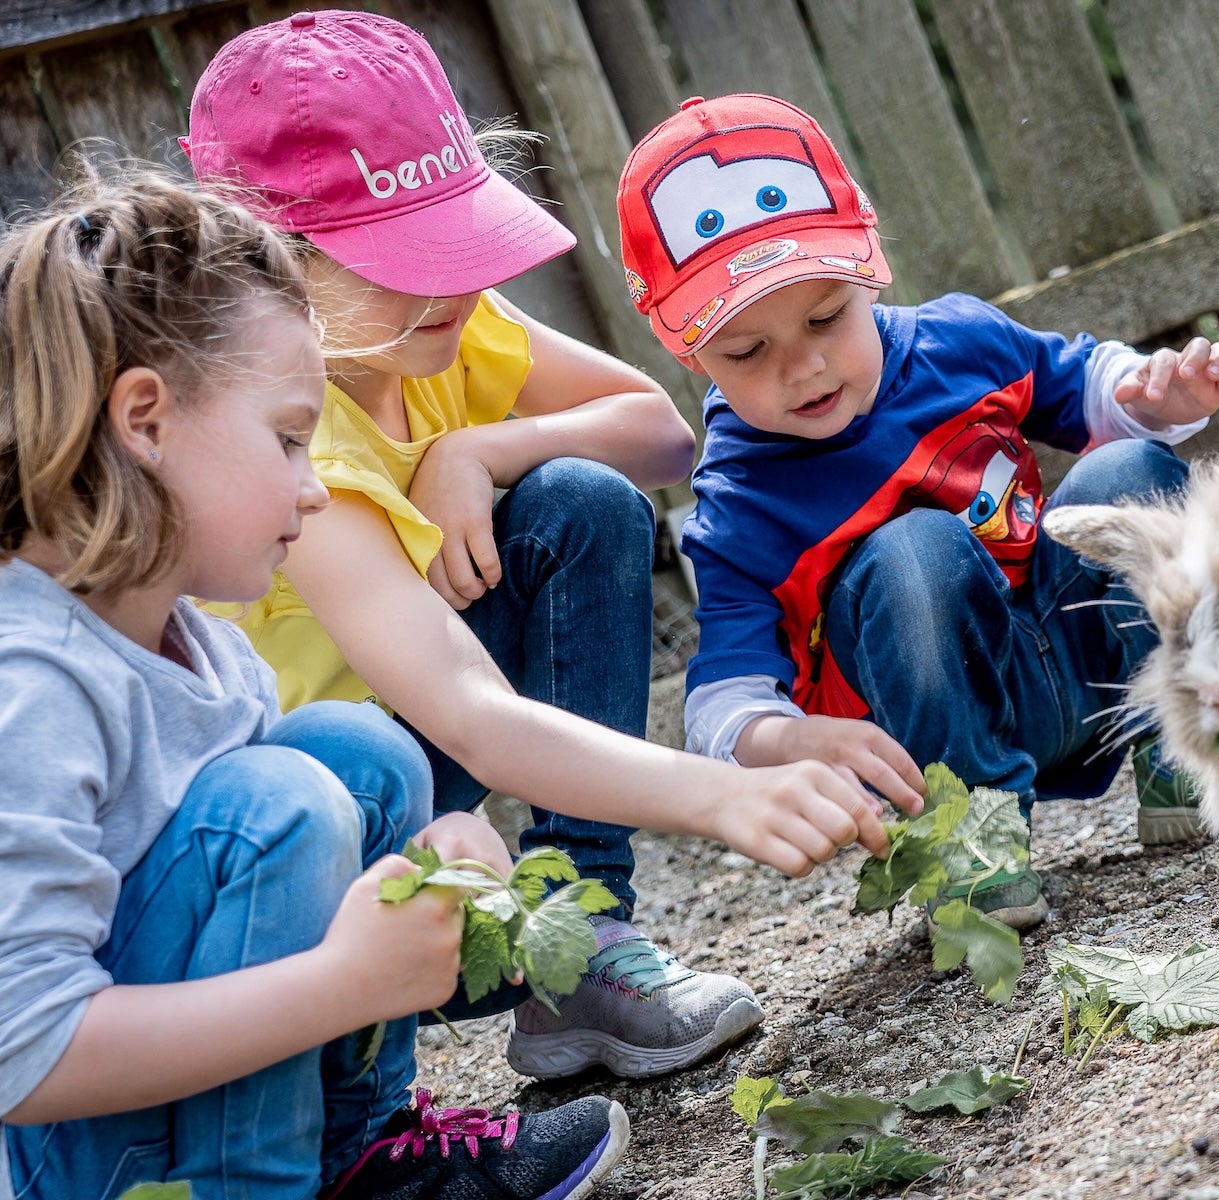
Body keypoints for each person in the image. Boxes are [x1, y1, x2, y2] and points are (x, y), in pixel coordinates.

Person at [181, 12, 904, 1083]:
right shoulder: (292, 448)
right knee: (378, 756)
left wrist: (480, 448)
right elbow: (475, 719)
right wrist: (724, 794)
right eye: (399, 260)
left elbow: (657, 429)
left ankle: (588, 944)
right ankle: (359, 1072)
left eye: (452, 245)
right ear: (275, 266)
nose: (448, 286)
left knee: (578, 500)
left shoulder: (437, 325)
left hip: (431, 762)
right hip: (330, 858)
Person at [0, 172, 630, 1200]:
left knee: (359, 757)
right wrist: (342, 985)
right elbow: (24, 1050)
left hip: (167, 1097)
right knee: (278, 801)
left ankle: (358, 1161)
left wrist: (422, 865)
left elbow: (269, 871)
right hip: (107, 1165)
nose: (314, 483)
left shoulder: (192, 639)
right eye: (291, 437)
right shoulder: (30, 681)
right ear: (145, 421)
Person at [615, 94, 1219, 929]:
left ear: (871, 269)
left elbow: (1091, 390)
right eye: (749, 351)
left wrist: (1156, 395)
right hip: (943, 731)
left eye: (825, 318)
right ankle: (972, 845)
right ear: (689, 351)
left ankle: (1187, 746)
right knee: (912, 549)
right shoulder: (741, 501)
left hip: (1084, 654)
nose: (802, 367)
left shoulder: (958, 342)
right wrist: (791, 741)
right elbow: (723, 697)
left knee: (1132, 467)